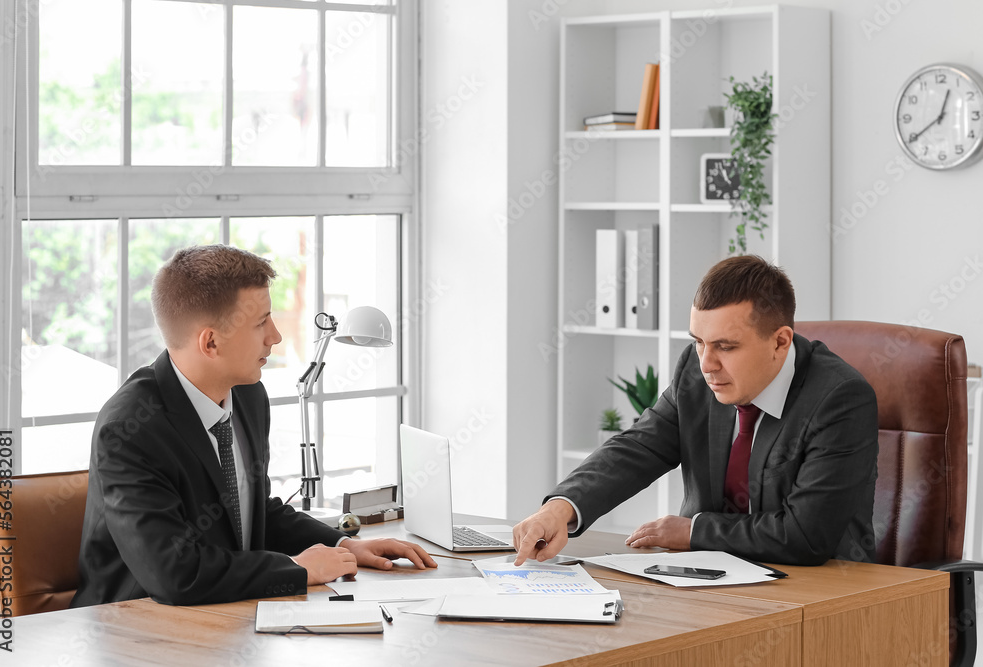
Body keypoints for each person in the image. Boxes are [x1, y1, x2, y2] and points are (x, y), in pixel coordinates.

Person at [72, 245, 436, 608]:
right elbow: (174, 573)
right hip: (136, 628)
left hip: (229, 615)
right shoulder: (129, 430)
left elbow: (254, 510)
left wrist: (345, 545)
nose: (275, 336)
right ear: (210, 342)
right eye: (261, 322)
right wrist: (297, 568)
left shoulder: (248, 395)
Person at [514, 255, 878, 567]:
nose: (707, 364)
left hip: (820, 593)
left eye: (725, 346)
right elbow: (640, 446)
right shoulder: (696, 369)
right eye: (699, 341)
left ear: (780, 342)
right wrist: (560, 508)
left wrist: (694, 531)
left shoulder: (840, 399)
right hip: (702, 576)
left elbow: (806, 536)